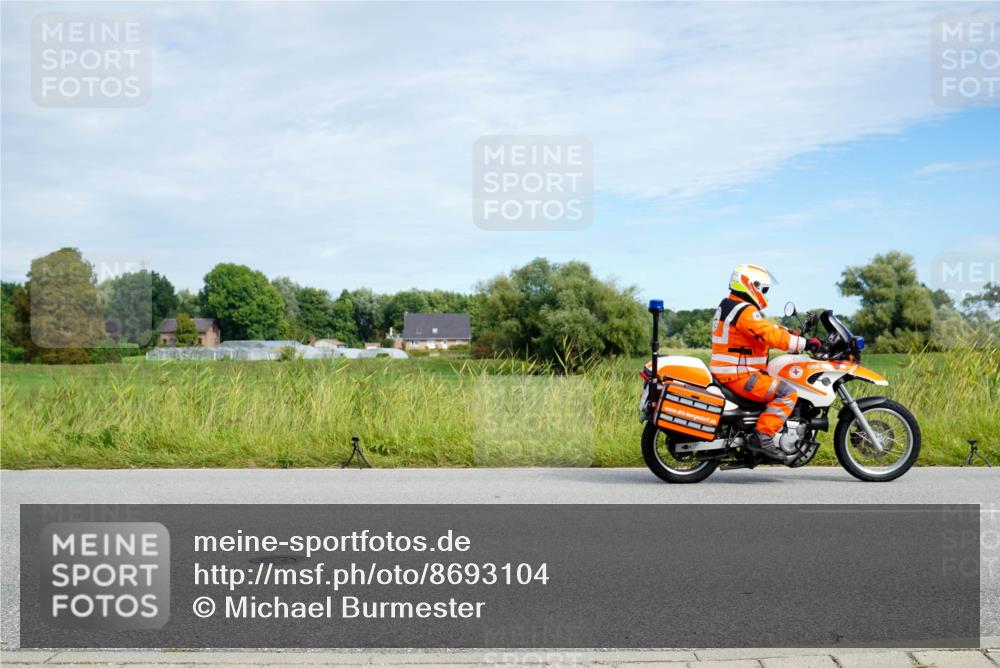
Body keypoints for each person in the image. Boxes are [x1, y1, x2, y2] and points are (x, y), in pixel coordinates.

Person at [709, 264, 822, 460]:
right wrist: (804, 343)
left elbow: (765, 328)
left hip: (731, 371)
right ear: (751, 285)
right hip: (740, 375)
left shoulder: (731, 305)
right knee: (787, 393)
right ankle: (764, 436)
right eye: (764, 289)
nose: (765, 294)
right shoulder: (744, 310)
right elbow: (768, 335)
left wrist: (788, 332)